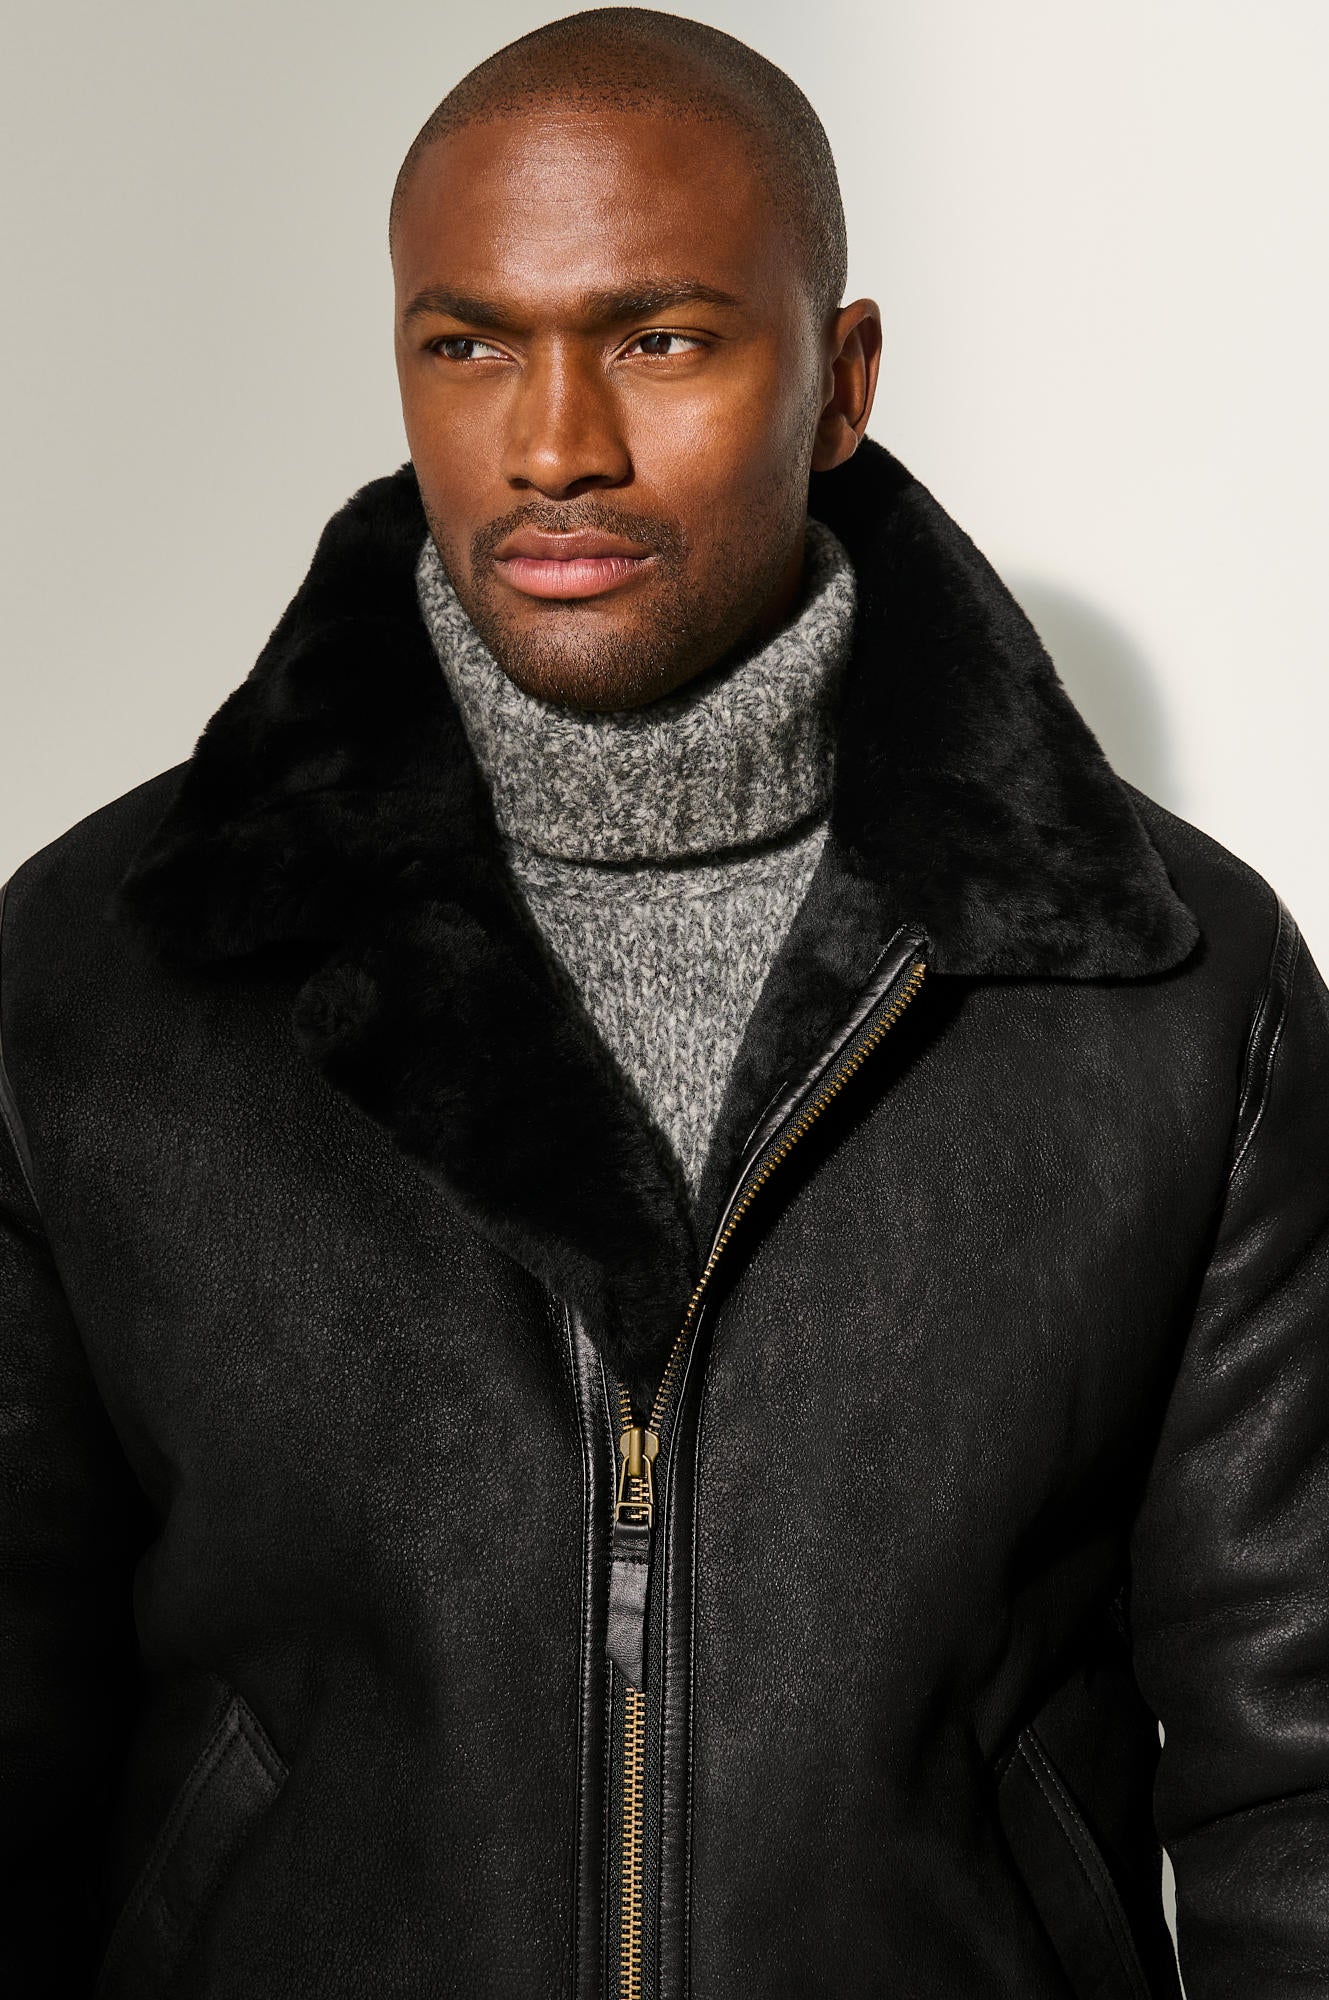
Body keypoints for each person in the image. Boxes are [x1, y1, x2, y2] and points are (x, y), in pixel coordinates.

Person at [2, 8, 1327, 1996]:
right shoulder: (104, 969)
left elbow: (1294, 1776)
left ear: (839, 380)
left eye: (660, 340)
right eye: (468, 346)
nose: (553, 446)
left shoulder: (1168, 981)